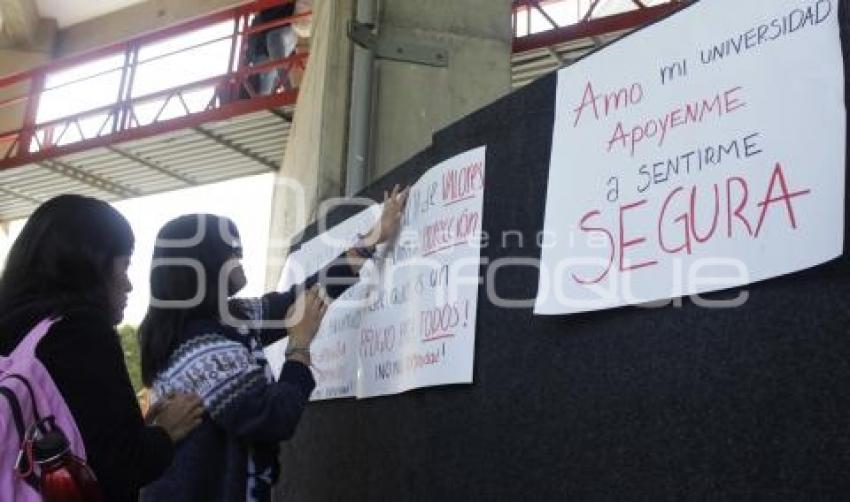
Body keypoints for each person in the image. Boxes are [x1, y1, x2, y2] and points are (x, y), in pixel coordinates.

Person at [139, 185, 409, 501]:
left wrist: (371, 239)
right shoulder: (202, 347)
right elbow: (273, 417)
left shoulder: (230, 317)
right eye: (231, 249)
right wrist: (299, 345)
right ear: (206, 263)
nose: (240, 256)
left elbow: (303, 295)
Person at [0, 194, 205, 501]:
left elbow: (72, 432)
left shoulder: (14, 329)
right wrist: (165, 431)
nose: (129, 284)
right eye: (124, 266)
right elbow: (121, 465)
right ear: (91, 265)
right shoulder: (78, 332)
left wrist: (137, 427)